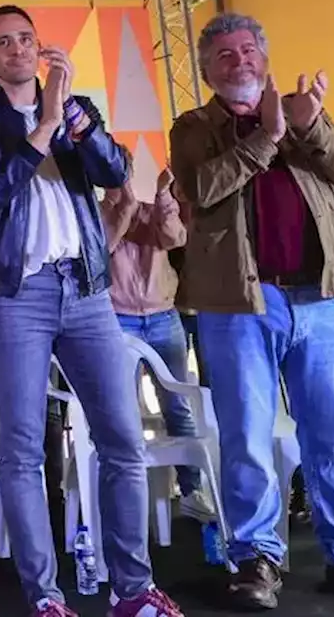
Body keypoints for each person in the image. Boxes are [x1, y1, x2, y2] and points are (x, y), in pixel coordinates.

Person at [0, 5, 182, 617]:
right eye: (3, 42)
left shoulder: (78, 110)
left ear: (40, 46)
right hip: (15, 295)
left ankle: (131, 591)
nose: (18, 49)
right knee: (23, 449)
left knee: (124, 440)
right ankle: (45, 598)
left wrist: (70, 114)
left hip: (85, 290)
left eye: (26, 38)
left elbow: (114, 173)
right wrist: (39, 129)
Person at [170, 12, 334, 610]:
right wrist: (266, 137)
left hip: (323, 298)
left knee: (332, 434)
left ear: (264, 57)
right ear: (206, 70)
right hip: (240, 303)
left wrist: (313, 127)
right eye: (225, 55)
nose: (240, 61)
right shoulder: (194, 126)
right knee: (247, 436)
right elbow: (198, 191)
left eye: (248, 50)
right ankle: (255, 559)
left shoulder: (304, 114)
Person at [101, 161, 216, 522]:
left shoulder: (154, 209)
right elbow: (101, 247)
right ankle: (134, 494)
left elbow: (174, 238)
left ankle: (191, 490)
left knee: (177, 405)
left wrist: (163, 194)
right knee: (124, 409)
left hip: (164, 316)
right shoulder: (94, 214)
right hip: (118, 320)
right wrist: (123, 210)